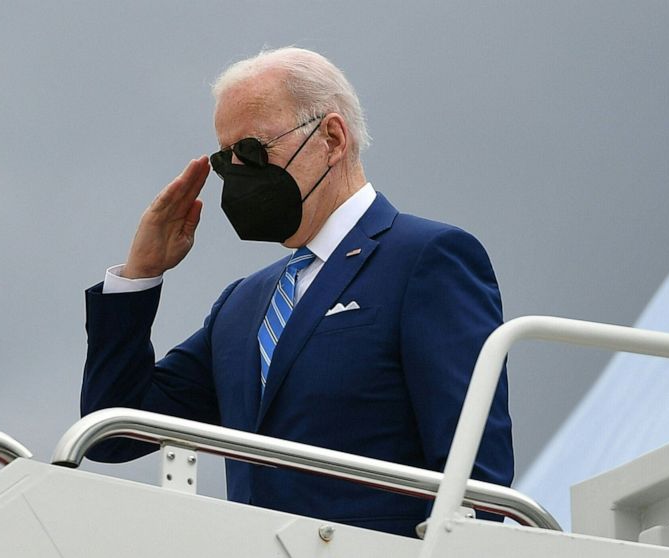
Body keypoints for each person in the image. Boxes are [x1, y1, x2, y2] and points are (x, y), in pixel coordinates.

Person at [80, 47, 513, 538]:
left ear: (331, 137)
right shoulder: (243, 304)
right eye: (227, 160)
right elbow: (113, 432)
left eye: (254, 152)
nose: (240, 174)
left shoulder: (425, 258)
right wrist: (140, 276)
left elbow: (476, 479)